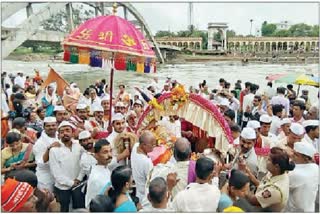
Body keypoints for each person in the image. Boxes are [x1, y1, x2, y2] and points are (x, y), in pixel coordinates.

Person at [49, 121, 85, 212]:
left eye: (67, 130)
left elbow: (84, 163)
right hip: (62, 187)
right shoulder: (54, 150)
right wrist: (71, 183)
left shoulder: (79, 145)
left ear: (72, 133)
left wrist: (79, 179)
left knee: (79, 209)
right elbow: (56, 173)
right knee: (64, 209)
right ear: (59, 135)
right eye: (62, 132)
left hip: (78, 184)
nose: (65, 133)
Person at [245, 147, 295, 212]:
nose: (266, 160)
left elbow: (252, 200)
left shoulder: (275, 190)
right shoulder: (276, 173)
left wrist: (243, 187)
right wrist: (248, 172)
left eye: (269, 159)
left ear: (276, 166)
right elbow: (262, 185)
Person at [286, 141, 318, 212]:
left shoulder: (294, 173)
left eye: (296, 154)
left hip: (295, 211)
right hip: (310, 209)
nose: (291, 155)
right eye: (293, 152)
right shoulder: (315, 167)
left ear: (306, 158)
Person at [32, 117, 60, 192]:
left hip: (61, 175)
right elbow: (40, 163)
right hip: (46, 177)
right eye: (48, 126)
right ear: (44, 127)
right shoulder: (39, 143)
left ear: (57, 125)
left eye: (53, 125)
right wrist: (49, 149)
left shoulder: (60, 136)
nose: (51, 127)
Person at [85, 139, 113, 208]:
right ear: (96, 155)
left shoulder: (105, 168)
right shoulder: (96, 178)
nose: (109, 155)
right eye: (105, 152)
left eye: (110, 151)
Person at [131, 131, 156, 201]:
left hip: (138, 190)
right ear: (143, 145)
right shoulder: (146, 162)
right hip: (144, 195)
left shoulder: (135, 146)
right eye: (152, 145)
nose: (154, 147)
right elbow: (151, 181)